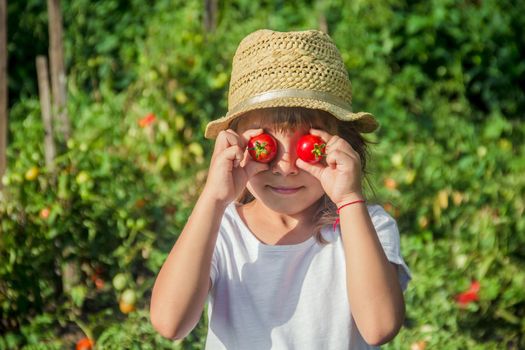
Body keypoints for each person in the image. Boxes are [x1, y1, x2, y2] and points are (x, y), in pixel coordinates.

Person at [150, 29, 411, 350]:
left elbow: (379, 327)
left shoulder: (365, 227)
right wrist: (213, 199)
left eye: (308, 145)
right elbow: (169, 322)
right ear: (235, 145)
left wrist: (349, 199)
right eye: (266, 146)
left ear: (343, 145)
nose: (285, 167)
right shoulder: (222, 229)